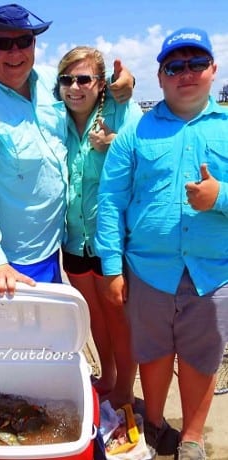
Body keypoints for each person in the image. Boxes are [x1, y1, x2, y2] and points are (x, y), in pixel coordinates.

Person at [0, 3, 135, 296]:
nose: (15, 53)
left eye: (24, 41)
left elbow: (85, 84)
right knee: (21, 341)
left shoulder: (45, 80)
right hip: (14, 260)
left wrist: (123, 83)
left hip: (54, 246)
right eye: (2, 43)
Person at [95, 27, 228, 460]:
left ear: (213, 69)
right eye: (175, 66)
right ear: (161, 75)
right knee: (152, 353)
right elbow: (111, 200)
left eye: (195, 63)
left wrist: (220, 196)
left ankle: (191, 438)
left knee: (202, 358)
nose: (185, 73)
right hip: (148, 271)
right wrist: (112, 267)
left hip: (213, 272)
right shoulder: (135, 132)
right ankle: (154, 423)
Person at [56, 46, 142, 408]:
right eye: (67, 80)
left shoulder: (122, 111)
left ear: (100, 82)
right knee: (92, 316)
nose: (75, 87)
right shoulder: (55, 116)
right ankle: (106, 374)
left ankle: (124, 386)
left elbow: (148, 153)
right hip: (74, 241)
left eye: (84, 79)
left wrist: (115, 143)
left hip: (113, 242)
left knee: (119, 319)